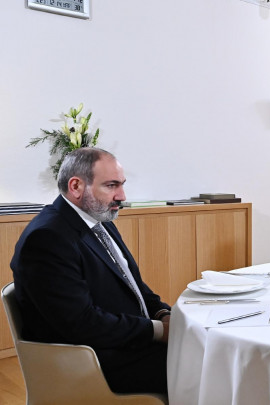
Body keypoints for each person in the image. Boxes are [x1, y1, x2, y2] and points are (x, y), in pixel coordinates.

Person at [11, 147, 171, 395]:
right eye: (111, 185)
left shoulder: (98, 219)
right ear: (76, 186)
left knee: (206, 352)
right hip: (94, 362)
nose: (122, 196)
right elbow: (81, 324)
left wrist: (163, 314)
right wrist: (158, 331)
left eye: (122, 185)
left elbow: (133, 285)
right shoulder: (47, 238)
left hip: (125, 343)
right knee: (207, 365)